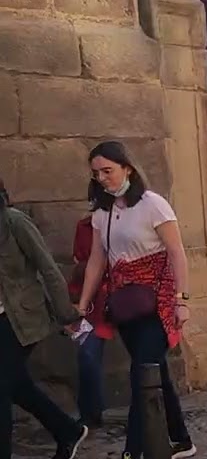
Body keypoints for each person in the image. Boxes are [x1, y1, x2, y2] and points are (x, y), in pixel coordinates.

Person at [76, 142, 197, 459]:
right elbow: (98, 260)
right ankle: (182, 439)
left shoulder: (152, 205)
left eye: (108, 171)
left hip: (157, 301)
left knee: (140, 375)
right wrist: (83, 304)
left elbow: (176, 252)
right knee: (153, 371)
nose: (102, 179)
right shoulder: (103, 212)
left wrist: (182, 299)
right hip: (126, 303)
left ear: (127, 168)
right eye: (96, 174)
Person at [0, 181, 89, 459]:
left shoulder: (14, 222)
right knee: (17, 385)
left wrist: (66, 313)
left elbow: (48, 268)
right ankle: (67, 430)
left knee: (1, 384)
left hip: (21, 317)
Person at [68, 182, 111, 429]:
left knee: (146, 357)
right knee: (87, 354)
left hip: (124, 296)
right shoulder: (84, 226)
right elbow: (81, 265)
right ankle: (91, 412)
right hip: (94, 301)